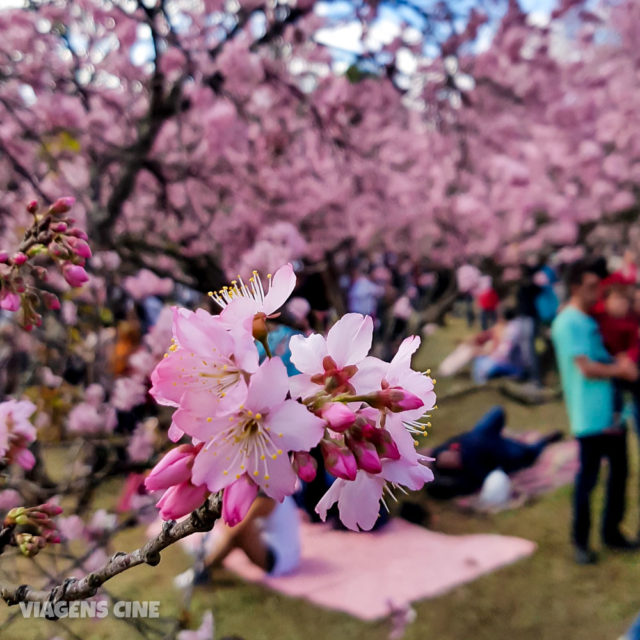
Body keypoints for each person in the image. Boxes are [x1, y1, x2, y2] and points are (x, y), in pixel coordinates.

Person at [551, 258, 639, 565]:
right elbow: (586, 368)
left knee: (619, 477)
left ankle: (612, 533)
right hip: (590, 417)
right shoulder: (569, 322)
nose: (596, 294)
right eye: (590, 288)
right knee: (588, 481)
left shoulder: (590, 319)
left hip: (614, 414)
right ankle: (581, 541)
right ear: (575, 288)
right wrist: (622, 371)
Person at [426, 405, 562, 499]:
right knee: (526, 455)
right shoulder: (471, 471)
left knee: (498, 411)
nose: (450, 458)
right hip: (498, 450)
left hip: (483, 432)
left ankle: (509, 435)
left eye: (446, 457)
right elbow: (482, 479)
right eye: (448, 463)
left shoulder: (443, 449)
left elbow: (458, 437)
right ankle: (544, 441)